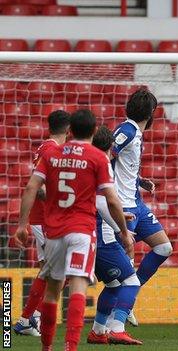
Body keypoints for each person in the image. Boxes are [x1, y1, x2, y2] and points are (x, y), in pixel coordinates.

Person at [13, 109, 134, 351]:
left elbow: (30, 188)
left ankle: (46, 347)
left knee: (52, 292)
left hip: (54, 231)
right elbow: (111, 199)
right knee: (78, 286)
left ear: (70, 131)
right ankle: (70, 347)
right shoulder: (98, 157)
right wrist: (123, 230)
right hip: (81, 230)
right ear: (92, 131)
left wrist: (21, 225)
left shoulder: (52, 154)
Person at [111, 89, 172, 325]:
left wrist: (139, 180)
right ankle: (117, 316)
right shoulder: (126, 131)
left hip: (137, 202)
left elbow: (122, 166)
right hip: (123, 205)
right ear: (152, 112)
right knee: (125, 263)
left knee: (164, 247)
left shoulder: (135, 132)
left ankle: (128, 300)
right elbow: (104, 158)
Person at [13, 110, 70, 337]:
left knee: (52, 271)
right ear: (68, 130)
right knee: (59, 271)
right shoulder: (50, 149)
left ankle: (29, 318)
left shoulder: (46, 147)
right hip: (45, 219)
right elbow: (40, 188)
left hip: (45, 219)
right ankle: (29, 318)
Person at [87, 126, 143, 345]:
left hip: (86, 232)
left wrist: (120, 214)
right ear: (111, 146)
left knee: (113, 284)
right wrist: (122, 230)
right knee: (131, 281)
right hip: (102, 235)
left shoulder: (89, 161)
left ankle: (98, 331)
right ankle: (118, 328)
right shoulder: (103, 164)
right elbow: (102, 202)